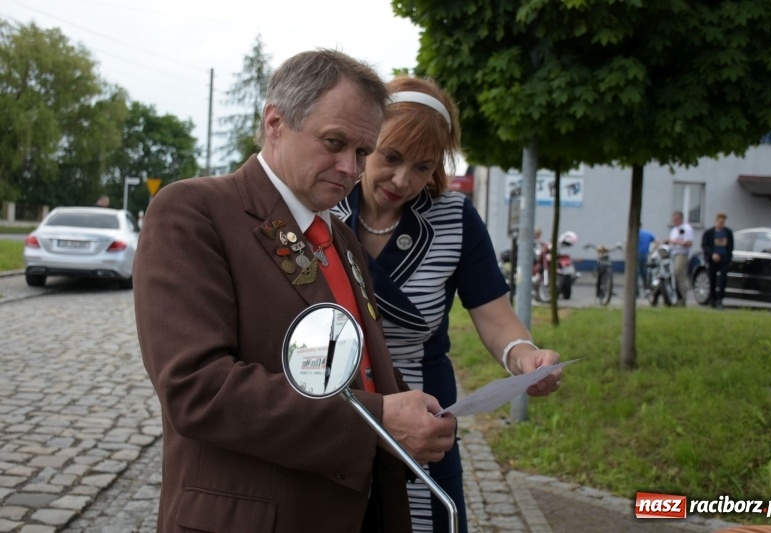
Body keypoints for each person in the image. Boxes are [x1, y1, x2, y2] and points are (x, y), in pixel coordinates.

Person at [133, 50, 457, 533]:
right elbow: (197, 388)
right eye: (334, 142)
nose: (350, 168)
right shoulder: (194, 211)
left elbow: (360, 368)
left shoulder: (340, 237)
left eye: (363, 152)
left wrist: (407, 413)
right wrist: (379, 419)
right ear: (275, 123)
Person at [332, 76, 562, 533]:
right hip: (338, 409)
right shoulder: (325, 205)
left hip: (424, 418)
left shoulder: (455, 218)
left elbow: (497, 319)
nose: (403, 180)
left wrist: (525, 357)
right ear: (367, 141)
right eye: (391, 158)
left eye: (423, 167)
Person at [701, 212, 734, 309]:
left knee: (723, 279)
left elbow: (730, 246)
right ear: (716, 220)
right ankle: (713, 299)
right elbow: (705, 245)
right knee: (712, 279)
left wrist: (728, 257)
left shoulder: (728, 232)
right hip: (713, 259)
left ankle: (720, 299)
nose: (721, 223)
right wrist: (712, 254)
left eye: (723, 221)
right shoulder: (709, 233)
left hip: (724, 259)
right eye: (720, 221)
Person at [666, 210, 694, 306]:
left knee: (679, 273)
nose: (674, 221)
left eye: (676, 219)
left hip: (681, 254)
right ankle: (675, 297)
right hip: (673, 254)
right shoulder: (674, 229)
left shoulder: (686, 229)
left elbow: (689, 242)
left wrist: (676, 242)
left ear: (680, 218)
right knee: (673, 275)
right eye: (673, 220)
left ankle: (682, 298)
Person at [637, 224, 656, 297]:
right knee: (644, 274)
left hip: (636, 255)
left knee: (635, 275)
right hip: (645, 255)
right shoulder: (647, 234)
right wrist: (653, 251)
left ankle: (636, 293)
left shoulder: (634, 233)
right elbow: (656, 241)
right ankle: (647, 290)